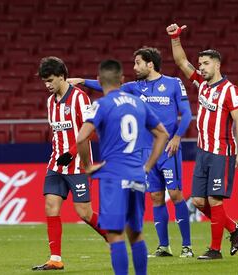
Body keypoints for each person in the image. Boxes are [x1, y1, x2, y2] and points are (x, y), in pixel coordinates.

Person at [68, 47, 194, 258]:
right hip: (147, 150)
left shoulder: (173, 83)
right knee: (155, 196)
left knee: (175, 193)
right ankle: (164, 247)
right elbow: (107, 85)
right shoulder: (134, 87)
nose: (134, 67)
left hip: (169, 149)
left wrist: (177, 136)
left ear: (150, 64)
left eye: (138, 63)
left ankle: (187, 246)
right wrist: (81, 81)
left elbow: (188, 113)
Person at [77, 59, 169, 275]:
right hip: (137, 175)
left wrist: (88, 166)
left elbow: (81, 138)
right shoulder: (138, 103)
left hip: (113, 177)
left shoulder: (101, 104)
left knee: (115, 234)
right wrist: (147, 166)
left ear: (99, 80)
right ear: (123, 80)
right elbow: (163, 134)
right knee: (136, 233)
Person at [166, 24, 238, 260]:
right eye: (200, 64)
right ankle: (234, 228)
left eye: (206, 64)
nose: (201, 68)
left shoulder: (230, 90)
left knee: (214, 199)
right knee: (198, 200)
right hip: (203, 151)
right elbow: (182, 62)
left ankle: (215, 250)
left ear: (217, 65)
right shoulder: (202, 85)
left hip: (222, 152)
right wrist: (175, 39)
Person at [32, 56, 107, 271]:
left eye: (51, 80)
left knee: (83, 212)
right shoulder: (50, 101)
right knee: (50, 206)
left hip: (78, 164)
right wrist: (59, 155)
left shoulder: (80, 98)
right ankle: (55, 258)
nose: (47, 85)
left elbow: (88, 129)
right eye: (45, 81)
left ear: (62, 76)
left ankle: (111, 235)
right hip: (56, 163)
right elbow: (57, 132)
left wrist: (72, 153)